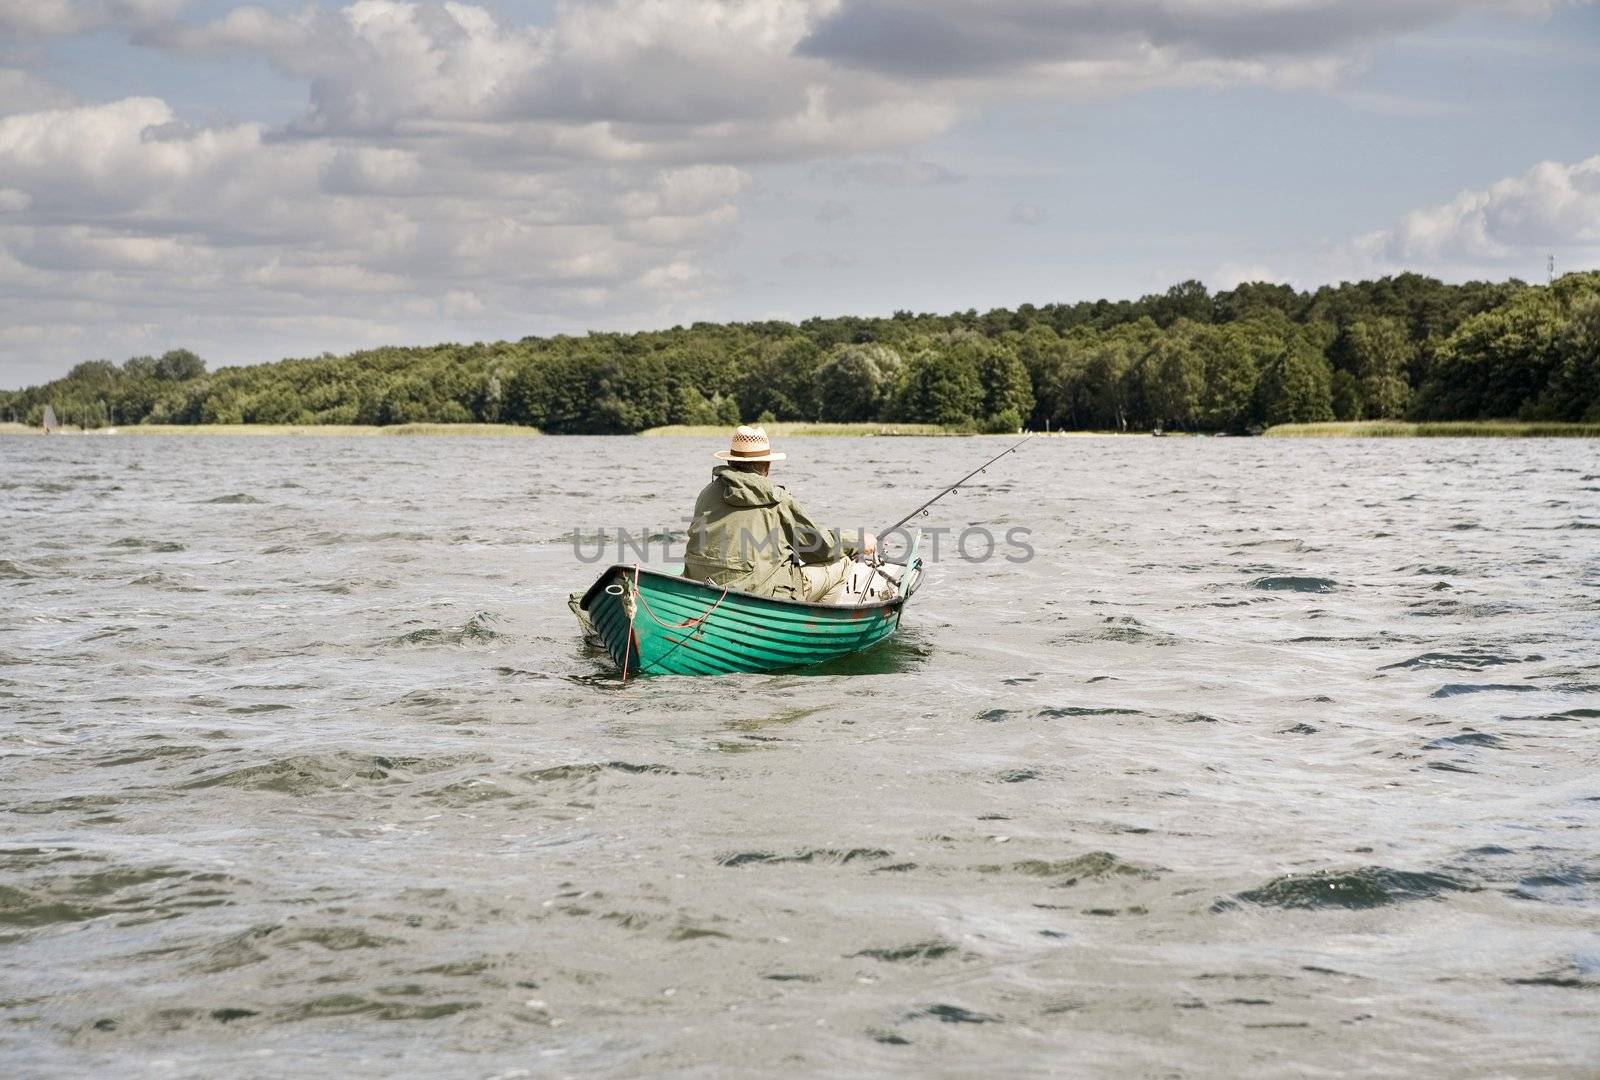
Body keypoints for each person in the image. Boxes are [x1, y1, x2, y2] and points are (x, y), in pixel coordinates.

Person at [683, 426, 879, 603]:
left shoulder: (706, 494)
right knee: (842, 563)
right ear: (766, 467)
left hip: (703, 589)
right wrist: (858, 541)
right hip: (762, 594)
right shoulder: (779, 500)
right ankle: (809, 629)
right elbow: (818, 548)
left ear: (729, 461)